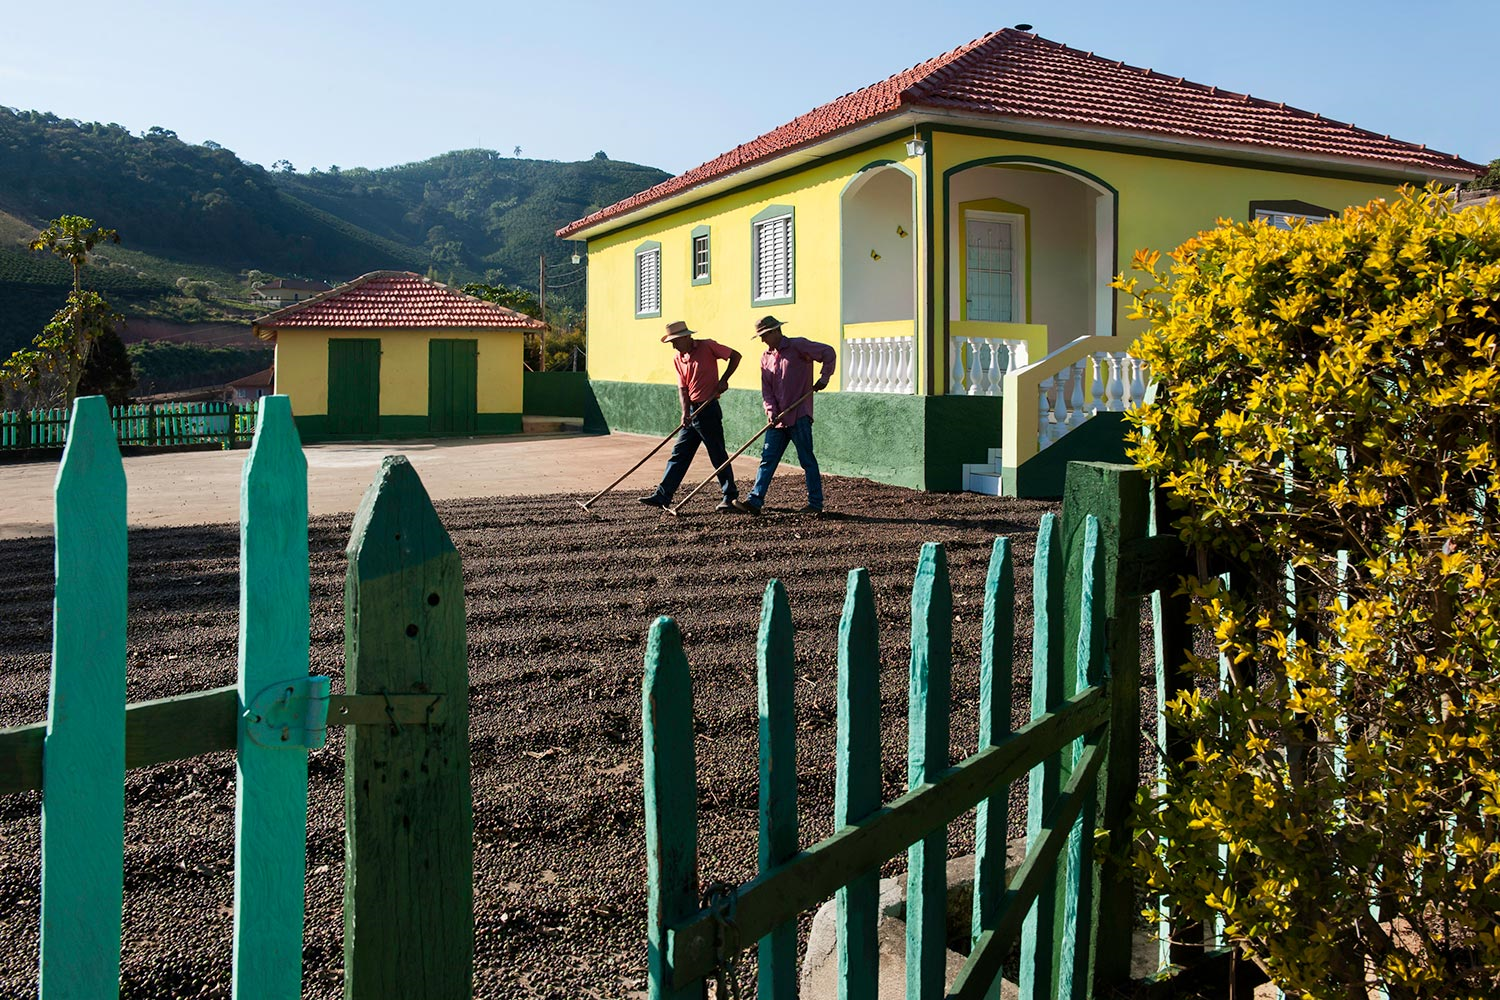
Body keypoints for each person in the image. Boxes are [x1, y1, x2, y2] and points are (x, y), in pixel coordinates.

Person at [733, 315, 836, 515]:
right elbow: (767, 389)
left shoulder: (799, 346)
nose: (762, 340)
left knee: (807, 460)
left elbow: (828, 352)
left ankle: (815, 504)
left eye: (764, 335)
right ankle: (755, 501)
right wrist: (771, 411)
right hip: (778, 420)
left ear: (775, 332)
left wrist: (824, 377)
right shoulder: (766, 357)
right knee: (768, 459)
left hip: (799, 414)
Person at [638, 320, 743, 512]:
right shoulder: (678, 358)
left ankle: (730, 495)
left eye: (675, 341)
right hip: (694, 411)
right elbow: (683, 388)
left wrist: (724, 380)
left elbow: (736, 356)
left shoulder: (708, 346)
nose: (674, 345)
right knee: (679, 453)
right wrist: (685, 413)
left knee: (717, 453)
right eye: (671, 342)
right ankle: (663, 495)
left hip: (708, 408)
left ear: (686, 337)